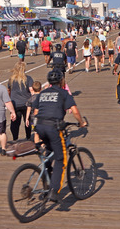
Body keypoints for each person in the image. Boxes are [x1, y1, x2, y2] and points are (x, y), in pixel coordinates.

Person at [32, 70, 85, 202]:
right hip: (53, 128)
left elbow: (36, 111)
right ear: (61, 81)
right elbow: (74, 111)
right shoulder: (63, 93)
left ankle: (47, 178)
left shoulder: (43, 93)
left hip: (40, 126)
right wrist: (81, 122)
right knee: (61, 158)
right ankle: (54, 191)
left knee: (50, 152)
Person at [7, 62, 34, 141]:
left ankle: (15, 138)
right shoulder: (28, 78)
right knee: (27, 121)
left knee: (15, 123)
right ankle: (28, 137)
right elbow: (31, 90)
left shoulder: (11, 79)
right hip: (26, 103)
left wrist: (9, 98)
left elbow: (9, 90)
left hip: (15, 104)